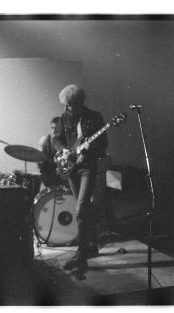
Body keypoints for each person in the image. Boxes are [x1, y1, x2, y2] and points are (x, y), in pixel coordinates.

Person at [57, 84, 108, 271]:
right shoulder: (64, 117)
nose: (65, 108)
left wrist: (89, 147)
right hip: (72, 168)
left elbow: (103, 143)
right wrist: (62, 150)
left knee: (80, 210)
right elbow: (57, 138)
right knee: (83, 211)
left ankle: (81, 256)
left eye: (68, 105)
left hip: (87, 168)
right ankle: (92, 246)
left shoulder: (94, 117)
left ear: (78, 104)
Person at [38, 117, 67, 188]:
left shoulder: (66, 141)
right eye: (52, 128)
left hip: (64, 174)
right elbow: (39, 162)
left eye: (56, 128)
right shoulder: (45, 140)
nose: (54, 130)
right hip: (49, 175)